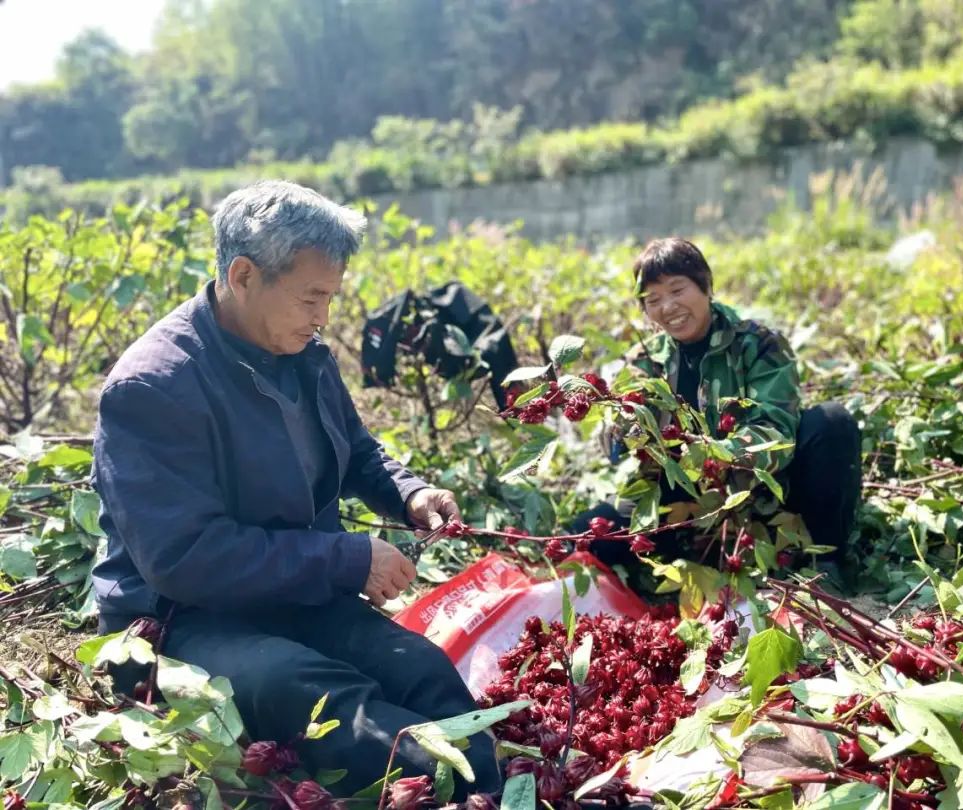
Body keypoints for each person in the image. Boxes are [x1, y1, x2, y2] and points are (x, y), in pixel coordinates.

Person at [90, 180, 501, 797]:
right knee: (324, 697)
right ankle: (446, 788)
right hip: (181, 619)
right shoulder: (154, 387)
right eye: (312, 297)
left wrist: (408, 493)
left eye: (331, 299)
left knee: (421, 669)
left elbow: (358, 449)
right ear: (245, 274)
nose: (323, 317)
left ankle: (491, 782)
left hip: (293, 591)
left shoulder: (302, 352)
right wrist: (347, 558)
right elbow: (184, 558)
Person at [573, 237, 861, 575]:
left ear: (706, 285)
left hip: (765, 498)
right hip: (686, 505)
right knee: (586, 534)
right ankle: (679, 562)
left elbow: (775, 433)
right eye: (653, 299)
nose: (667, 307)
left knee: (830, 423)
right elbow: (626, 433)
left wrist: (716, 455)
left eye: (677, 291)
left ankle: (826, 566)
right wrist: (620, 431)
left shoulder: (757, 343)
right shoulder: (646, 360)